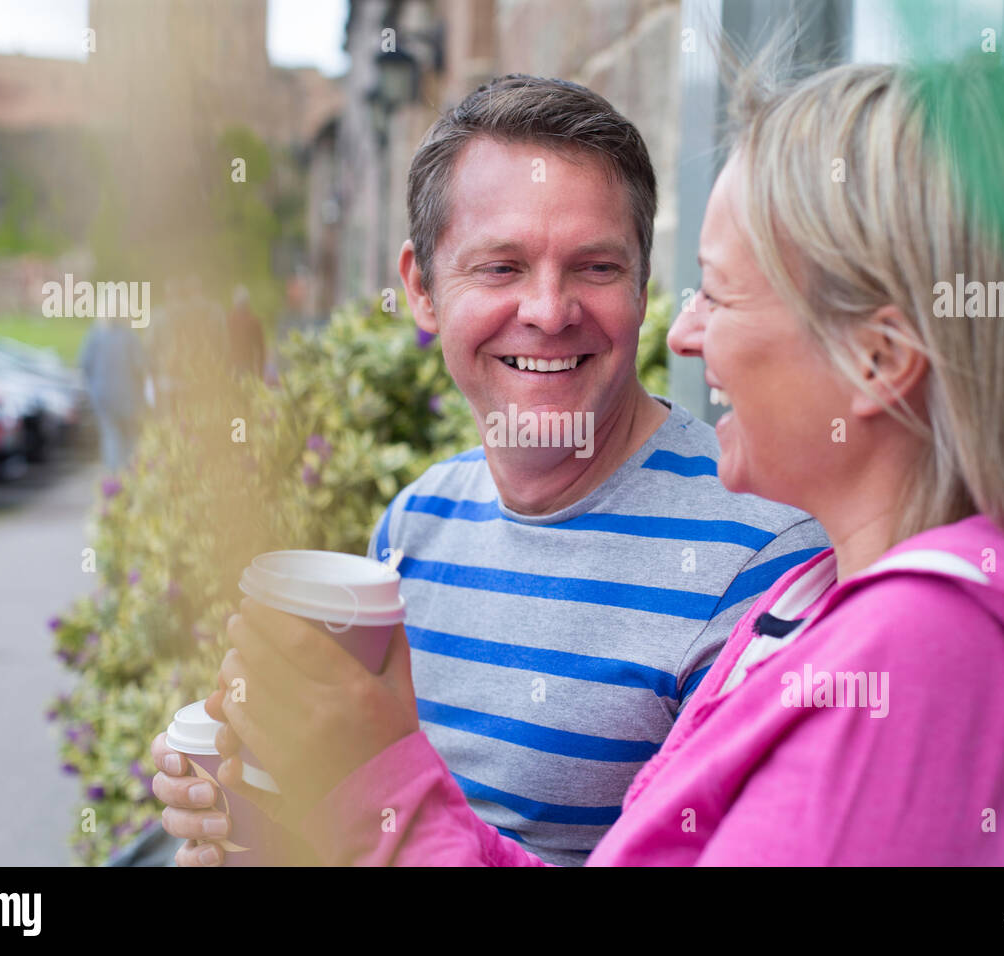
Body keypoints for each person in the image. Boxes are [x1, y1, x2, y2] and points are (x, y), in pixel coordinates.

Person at [198, 55, 1004, 865]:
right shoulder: (821, 598)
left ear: (879, 360)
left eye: (715, 291)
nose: (683, 334)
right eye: (500, 266)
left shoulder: (914, 653)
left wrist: (371, 784)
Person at [151, 75, 827, 865]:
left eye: (596, 267)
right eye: (501, 267)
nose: (548, 310)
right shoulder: (415, 523)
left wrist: (363, 782)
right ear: (421, 288)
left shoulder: (766, 557)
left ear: (645, 285)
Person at [78, 312, 147, 473]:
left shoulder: (95, 335)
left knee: (111, 438)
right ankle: (131, 475)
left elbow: (84, 364)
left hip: (103, 397)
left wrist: (93, 387)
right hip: (128, 396)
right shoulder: (130, 336)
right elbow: (140, 366)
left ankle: (115, 478)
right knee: (130, 439)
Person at [227, 285, 265, 380]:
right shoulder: (231, 320)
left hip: (243, 364)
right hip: (238, 363)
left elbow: (260, 347)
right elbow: (261, 347)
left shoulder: (231, 320)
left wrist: (260, 370)